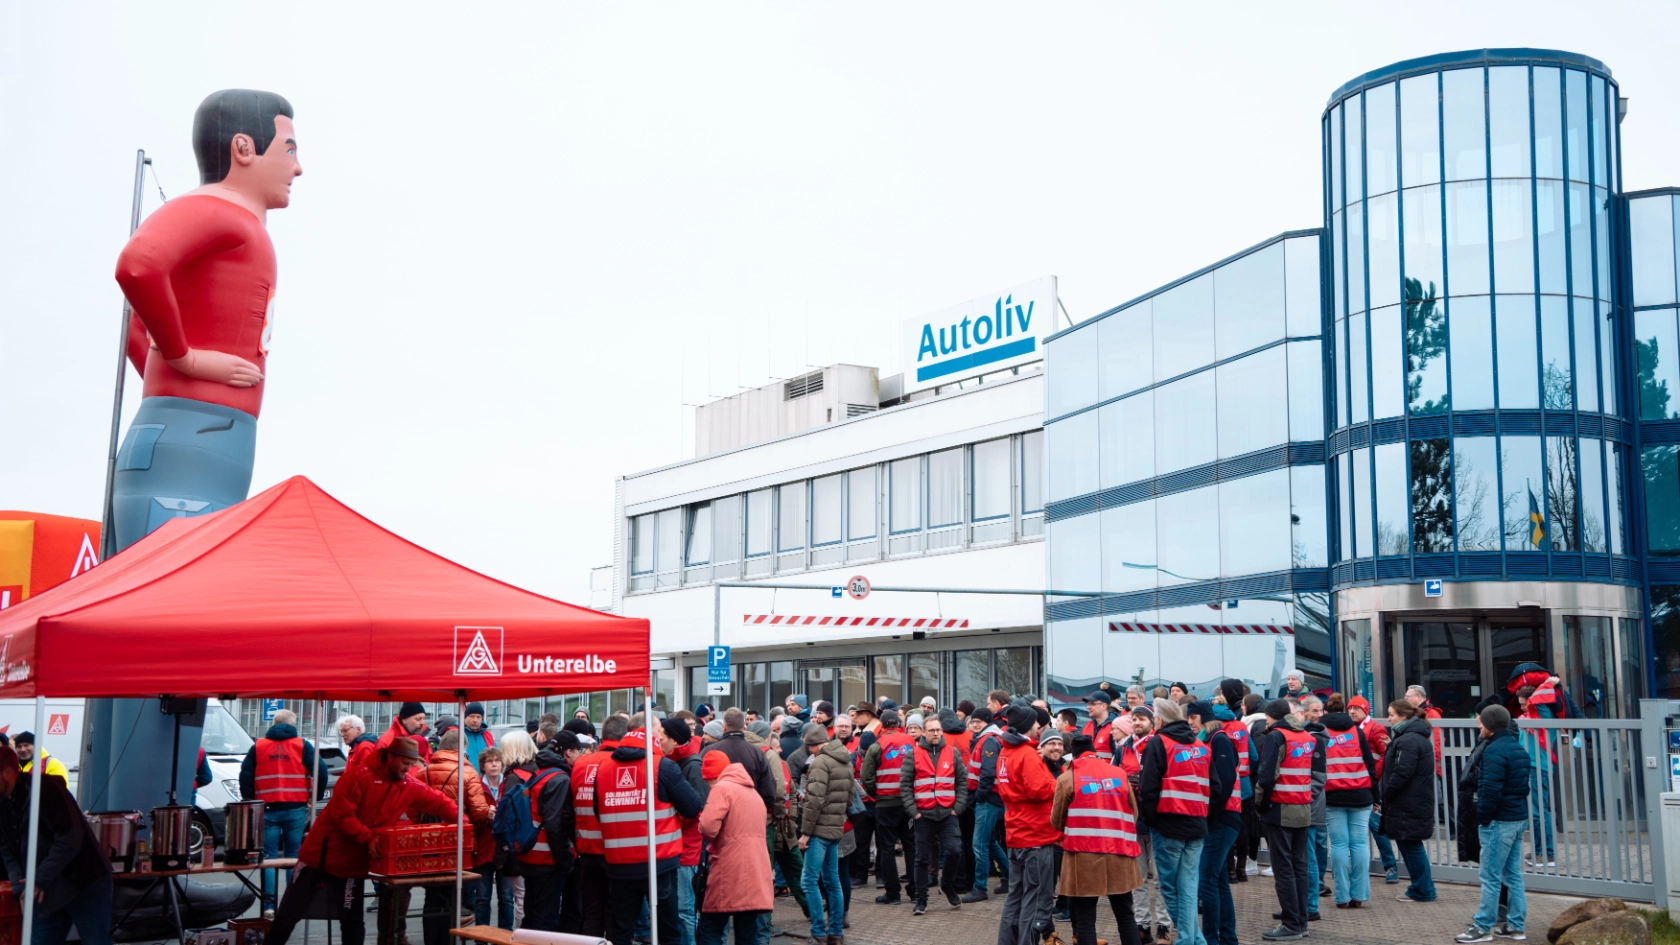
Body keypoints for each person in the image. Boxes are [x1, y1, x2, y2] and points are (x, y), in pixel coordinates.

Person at [269, 737, 456, 944]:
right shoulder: (358, 777)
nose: (408, 769)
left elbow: (440, 802)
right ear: (391, 757)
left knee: (353, 923)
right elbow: (342, 816)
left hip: (353, 866)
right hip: (318, 859)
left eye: (412, 765)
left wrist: (463, 821)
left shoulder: (408, 784)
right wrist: (368, 838)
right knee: (288, 916)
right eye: (405, 764)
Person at [590, 723, 705, 945]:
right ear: (654, 741)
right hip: (658, 863)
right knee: (667, 931)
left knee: (620, 932)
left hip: (619, 865)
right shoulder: (662, 766)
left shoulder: (603, 769)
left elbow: (598, 811)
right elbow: (692, 807)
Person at [0, 745, 113, 944]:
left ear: (8, 773)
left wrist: (39, 880)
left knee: (96, 940)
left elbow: (70, 839)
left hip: (83, 880)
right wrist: (20, 890)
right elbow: (7, 850)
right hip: (46, 889)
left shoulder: (45, 791)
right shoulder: (3, 805)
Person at [1053, 733, 1142, 945]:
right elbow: (1134, 813)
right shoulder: (1119, 774)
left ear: (1072, 756)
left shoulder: (1067, 778)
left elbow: (1056, 821)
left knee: (1085, 920)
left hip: (1083, 857)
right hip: (1120, 852)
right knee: (1125, 916)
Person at [238, 708, 330, 910]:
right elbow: (321, 771)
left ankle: (269, 907)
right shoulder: (301, 745)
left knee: (268, 857)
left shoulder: (259, 746)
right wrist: (315, 797)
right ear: (293, 725)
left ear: (274, 724)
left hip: (266, 808)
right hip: (295, 807)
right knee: (293, 856)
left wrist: (250, 799)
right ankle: (292, 905)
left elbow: (245, 775)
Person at [1136, 698, 1211, 945]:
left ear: (1159, 719)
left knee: (1170, 889)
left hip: (1168, 825)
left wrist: (1149, 821)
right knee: (1188, 890)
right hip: (1196, 824)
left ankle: (1188, 939)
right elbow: (1217, 786)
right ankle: (1195, 940)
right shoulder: (1201, 745)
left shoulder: (1158, 743)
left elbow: (1148, 789)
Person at [1456, 705, 1530, 944]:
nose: (1479, 726)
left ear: (1490, 725)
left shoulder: (1494, 751)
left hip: (1499, 821)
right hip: (1517, 818)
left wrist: (1483, 818)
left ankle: (1482, 927)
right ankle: (1516, 926)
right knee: (1513, 874)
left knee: (1490, 875)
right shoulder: (1518, 748)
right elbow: (1523, 788)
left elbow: (1489, 790)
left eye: (1481, 723)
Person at [420, 729, 496, 945]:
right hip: (458, 842)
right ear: (461, 748)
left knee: (432, 895)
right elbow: (480, 812)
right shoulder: (468, 772)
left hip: (426, 841)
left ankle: (431, 941)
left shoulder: (423, 772)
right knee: (452, 893)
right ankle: (447, 940)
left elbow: (415, 811)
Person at [1253, 699, 1319, 942]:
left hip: (1280, 808)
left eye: (1267, 717)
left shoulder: (1276, 736)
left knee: (1283, 869)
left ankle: (1291, 923)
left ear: (1272, 716)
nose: (1265, 721)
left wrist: (1260, 806)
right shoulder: (1306, 737)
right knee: (1299, 867)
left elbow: (1267, 776)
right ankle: (1300, 921)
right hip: (1302, 808)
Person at [994, 703, 1060, 945]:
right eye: (1035, 723)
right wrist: (1059, 783)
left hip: (1016, 833)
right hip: (1035, 837)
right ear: (1026, 726)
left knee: (1015, 896)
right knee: (1033, 900)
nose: (1038, 726)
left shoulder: (1006, 752)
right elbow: (1039, 789)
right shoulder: (1026, 754)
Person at [697, 751, 775, 945]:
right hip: (756, 869)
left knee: (710, 927)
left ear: (711, 776)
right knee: (747, 932)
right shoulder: (752, 791)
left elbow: (707, 828)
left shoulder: (722, 788)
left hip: (729, 868)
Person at [562, 715, 628, 937]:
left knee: (592, 912)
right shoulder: (626, 763)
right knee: (615, 914)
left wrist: (578, 839)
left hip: (587, 850)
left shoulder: (581, 764)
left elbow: (568, 810)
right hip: (617, 853)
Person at [900, 709, 967, 915]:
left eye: (938, 730)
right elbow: (905, 785)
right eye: (932, 730)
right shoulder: (913, 754)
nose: (936, 733)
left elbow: (962, 782)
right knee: (921, 859)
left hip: (948, 813)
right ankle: (921, 899)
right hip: (923, 815)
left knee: (955, 850)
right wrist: (914, 812)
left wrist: (958, 808)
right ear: (924, 732)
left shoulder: (952, 753)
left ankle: (947, 885)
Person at [1188, 700, 1240, 945]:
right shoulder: (1208, 740)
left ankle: (1211, 938)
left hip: (1221, 818)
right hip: (1220, 817)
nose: (1189, 722)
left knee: (1207, 878)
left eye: (1193, 717)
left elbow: (1226, 780)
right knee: (1217, 881)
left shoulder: (1218, 739)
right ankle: (1227, 937)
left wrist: (1210, 813)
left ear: (1205, 718)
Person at [801, 721, 855, 941]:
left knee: (809, 880)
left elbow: (814, 802)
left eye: (810, 747)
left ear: (815, 745)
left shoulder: (820, 763)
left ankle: (817, 932)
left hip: (818, 830)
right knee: (833, 880)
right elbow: (850, 796)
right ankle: (836, 932)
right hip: (836, 827)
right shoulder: (845, 759)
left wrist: (805, 832)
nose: (809, 751)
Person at [1119, 705, 1169, 943]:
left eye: (1141, 719)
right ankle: (1142, 925)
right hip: (1132, 820)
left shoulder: (1159, 744)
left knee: (1160, 879)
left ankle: (1163, 925)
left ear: (1152, 721)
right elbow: (1114, 778)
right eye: (1134, 719)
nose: (1137, 723)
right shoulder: (1124, 747)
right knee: (1137, 878)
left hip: (1158, 820)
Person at [1321, 699, 1377, 911]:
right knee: (1360, 845)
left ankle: (1342, 897)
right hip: (1361, 794)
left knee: (1339, 845)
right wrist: (1376, 796)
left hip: (1333, 796)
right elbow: (1369, 764)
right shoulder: (1356, 730)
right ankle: (1360, 895)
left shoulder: (1321, 732)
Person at [1380, 699, 1437, 904]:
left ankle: (1423, 889)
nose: (1389, 718)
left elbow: (1402, 773)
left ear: (1403, 716)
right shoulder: (1411, 737)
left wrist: (1385, 792)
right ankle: (1422, 887)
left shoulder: (1408, 740)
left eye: (1392, 714)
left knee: (1411, 846)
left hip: (1407, 803)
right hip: (1411, 801)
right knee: (1410, 845)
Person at [862, 709, 915, 906]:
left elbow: (867, 777)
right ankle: (916, 891)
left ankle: (893, 893)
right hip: (909, 805)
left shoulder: (877, 746)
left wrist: (877, 794)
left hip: (885, 805)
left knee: (886, 848)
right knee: (911, 846)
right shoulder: (911, 741)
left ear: (882, 726)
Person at [664, 718, 707, 945]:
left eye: (662, 736)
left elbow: (698, 808)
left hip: (687, 847)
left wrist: (670, 818)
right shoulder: (678, 760)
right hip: (678, 846)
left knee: (685, 910)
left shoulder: (691, 764)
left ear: (673, 740)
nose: (658, 740)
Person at [1347, 696, 1398, 884]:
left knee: (1376, 826)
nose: (1352, 712)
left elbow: (1386, 754)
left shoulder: (1375, 728)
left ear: (1365, 710)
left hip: (1369, 785)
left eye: (1356, 709)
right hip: (1356, 785)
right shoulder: (1350, 729)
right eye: (1350, 708)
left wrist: (1373, 776)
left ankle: (1390, 865)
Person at [963, 706, 1008, 903]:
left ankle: (980, 888)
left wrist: (979, 796)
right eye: (973, 721)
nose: (974, 724)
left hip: (988, 799)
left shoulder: (989, 740)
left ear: (987, 722)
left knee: (979, 845)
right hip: (989, 798)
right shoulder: (989, 738)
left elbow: (988, 773)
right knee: (989, 842)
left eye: (978, 721)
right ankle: (1012, 877)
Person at [1516, 682, 1558, 868]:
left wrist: (1549, 682)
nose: (1522, 707)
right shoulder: (1528, 717)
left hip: (1537, 767)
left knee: (1539, 811)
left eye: (1524, 703)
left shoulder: (1542, 714)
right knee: (1535, 812)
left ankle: (1547, 854)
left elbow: (1539, 700)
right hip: (1530, 767)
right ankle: (1540, 850)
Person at [475, 747, 517, 929]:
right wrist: (484, 815)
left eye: (497, 761)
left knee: (506, 897)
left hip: (505, 848)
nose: (494, 764)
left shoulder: (509, 784)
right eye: (489, 761)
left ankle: (505, 935)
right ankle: (481, 937)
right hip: (483, 847)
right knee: (483, 897)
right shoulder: (475, 785)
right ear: (482, 766)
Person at [1298, 696, 1329, 917]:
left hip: (1308, 805)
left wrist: (1304, 799)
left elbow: (1317, 778)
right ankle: (1301, 905)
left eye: (1320, 711)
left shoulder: (1314, 738)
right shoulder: (1309, 736)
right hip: (1308, 803)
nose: (1319, 715)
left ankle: (1310, 906)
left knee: (1307, 855)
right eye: (1314, 711)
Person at [1079, 690, 1120, 762]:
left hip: (1107, 772)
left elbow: (1119, 757)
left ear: (1104, 706)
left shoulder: (1116, 727)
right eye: (1088, 704)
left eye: (1092, 704)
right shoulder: (1086, 726)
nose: (1088, 707)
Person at [460, 702, 496, 771]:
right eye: (472, 716)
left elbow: (496, 757)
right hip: (464, 778)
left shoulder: (488, 736)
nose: (475, 720)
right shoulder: (457, 734)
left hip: (485, 778)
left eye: (478, 717)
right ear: (464, 718)